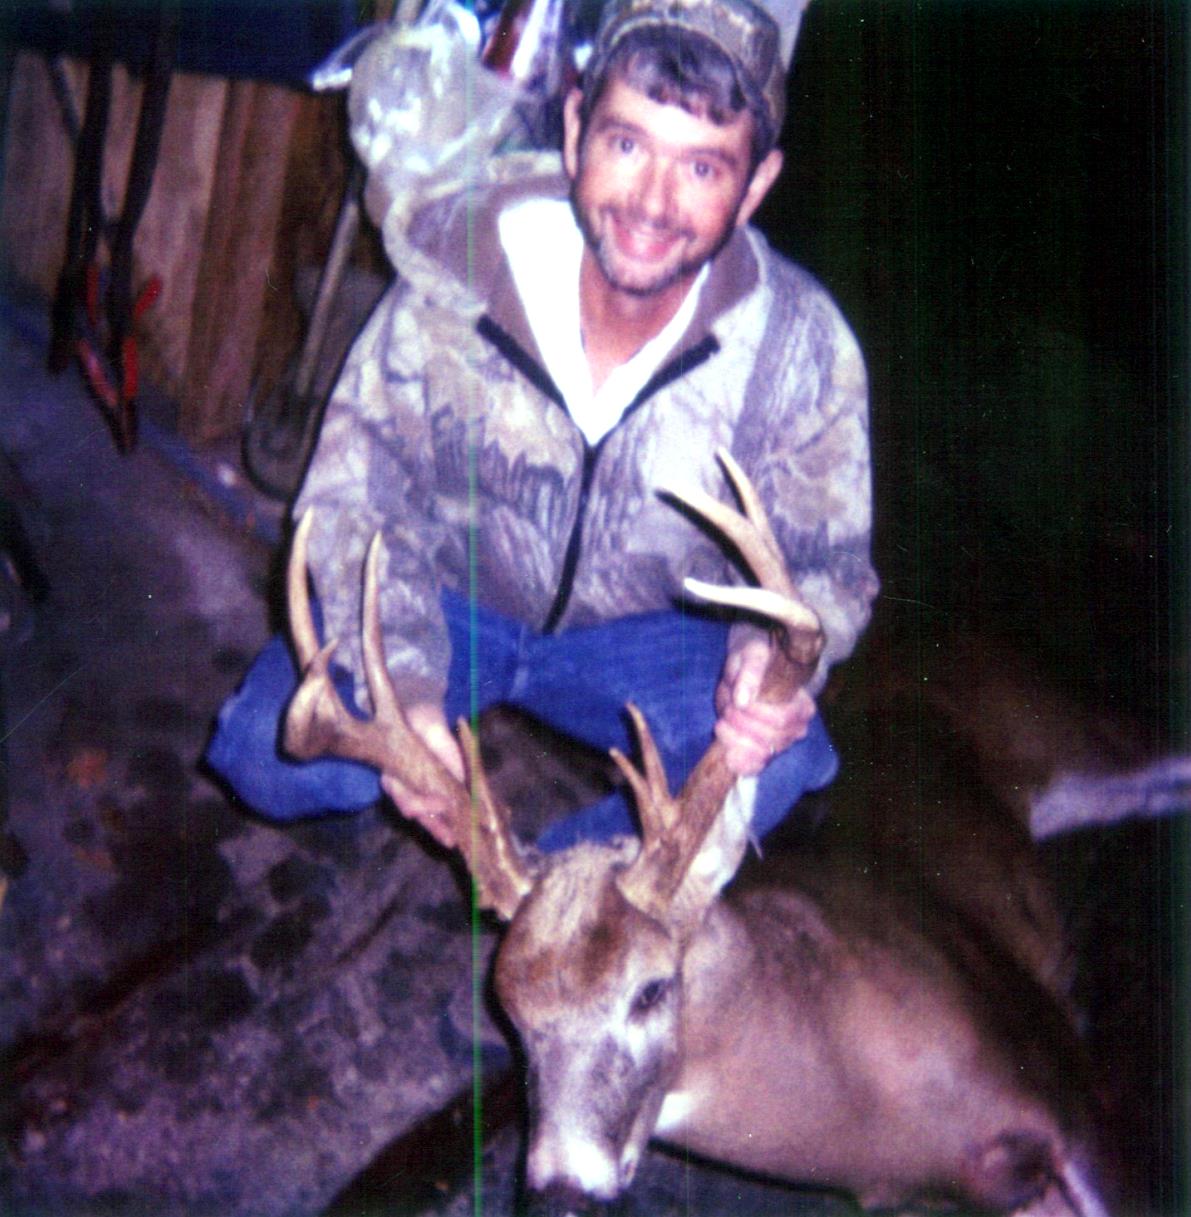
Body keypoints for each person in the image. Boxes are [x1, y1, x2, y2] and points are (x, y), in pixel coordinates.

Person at [207, 0, 877, 855]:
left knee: (779, 764)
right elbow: (354, 496)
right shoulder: (460, 268)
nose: (652, 203)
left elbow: (826, 568)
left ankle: (566, 887)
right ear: (573, 130)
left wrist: (768, 661)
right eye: (626, 144)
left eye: (702, 168)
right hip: (452, 598)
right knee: (269, 746)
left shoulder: (800, 350)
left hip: (639, 638)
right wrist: (404, 689)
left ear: (754, 187)